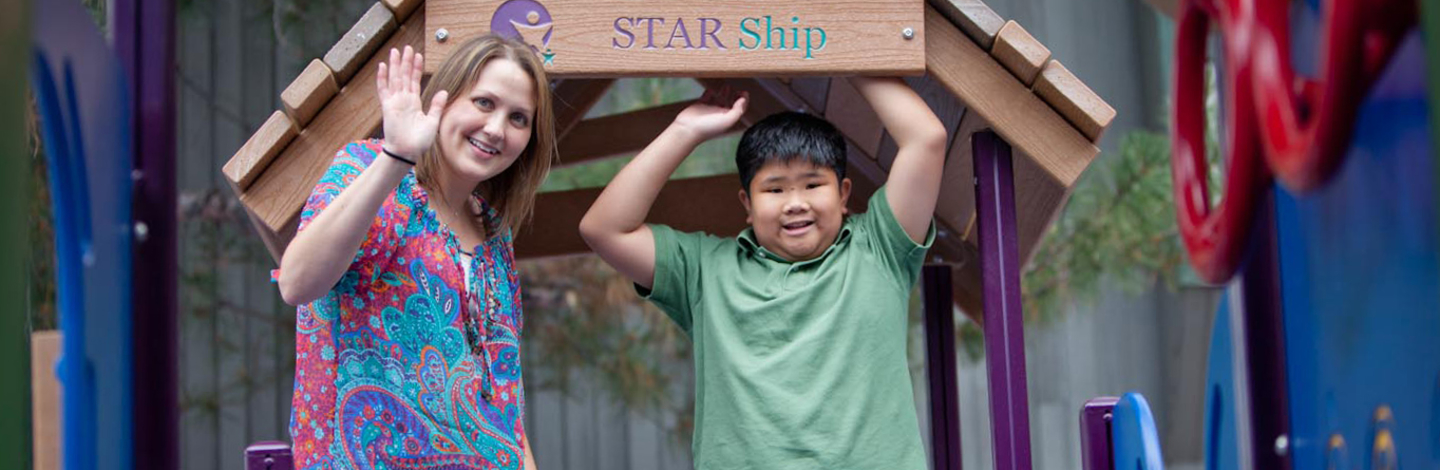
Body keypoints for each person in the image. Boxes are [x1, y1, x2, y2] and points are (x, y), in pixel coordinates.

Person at [579, 77, 948, 469]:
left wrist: (845, 51)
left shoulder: (880, 248)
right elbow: (604, 229)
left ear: (842, 195)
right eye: (774, 190)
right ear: (747, 204)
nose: (795, 204)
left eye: (812, 184)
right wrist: (684, 131)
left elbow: (926, 139)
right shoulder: (706, 271)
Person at [275, 35, 554, 470]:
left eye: (518, 118)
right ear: (444, 99)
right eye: (483, 103)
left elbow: (504, 396)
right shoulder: (369, 172)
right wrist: (396, 157)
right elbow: (297, 283)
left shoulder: (495, 231)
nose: (497, 128)